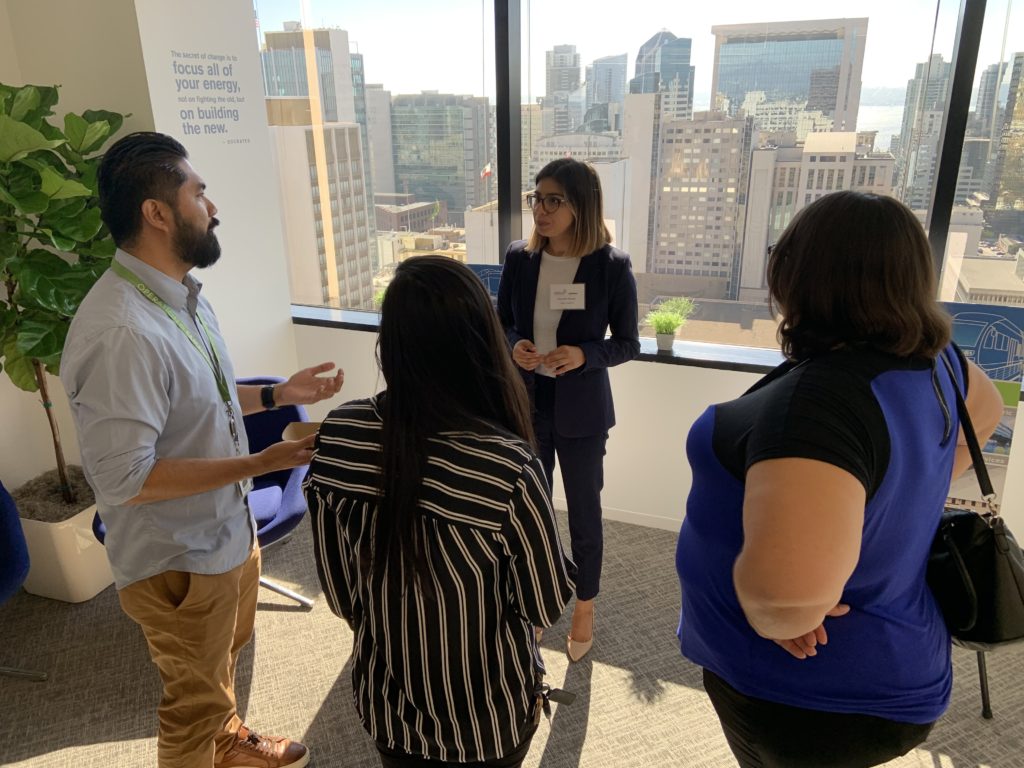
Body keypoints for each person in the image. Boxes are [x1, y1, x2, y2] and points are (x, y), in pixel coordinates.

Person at [675, 191, 1005, 768]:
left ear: (803, 274)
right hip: (889, 665)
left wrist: (785, 610)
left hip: (810, 694)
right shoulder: (939, 360)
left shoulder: (817, 407)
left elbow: (784, 603)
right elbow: (986, 410)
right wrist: (892, 502)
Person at [61, 132, 344, 768]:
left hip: (223, 529)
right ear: (157, 213)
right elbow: (128, 478)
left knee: (220, 670)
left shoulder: (182, 297)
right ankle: (208, 742)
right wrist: (259, 464)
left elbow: (201, 406)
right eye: (199, 193)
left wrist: (276, 395)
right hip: (176, 557)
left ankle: (229, 741)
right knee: (190, 704)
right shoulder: (122, 333)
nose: (213, 208)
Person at [305, 256, 575, 768]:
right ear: (483, 343)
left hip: (388, 708)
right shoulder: (507, 464)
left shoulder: (338, 434)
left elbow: (342, 596)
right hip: (488, 721)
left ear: (391, 343)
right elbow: (545, 604)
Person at [497, 158, 640, 661]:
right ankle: (538, 603)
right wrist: (515, 344)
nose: (541, 209)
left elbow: (627, 343)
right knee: (531, 512)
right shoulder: (520, 258)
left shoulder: (611, 266)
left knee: (583, 511)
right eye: (537, 198)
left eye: (553, 200)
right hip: (528, 405)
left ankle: (584, 603)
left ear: (581, 206)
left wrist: (584, 354)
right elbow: (503, 323)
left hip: (582, 412)